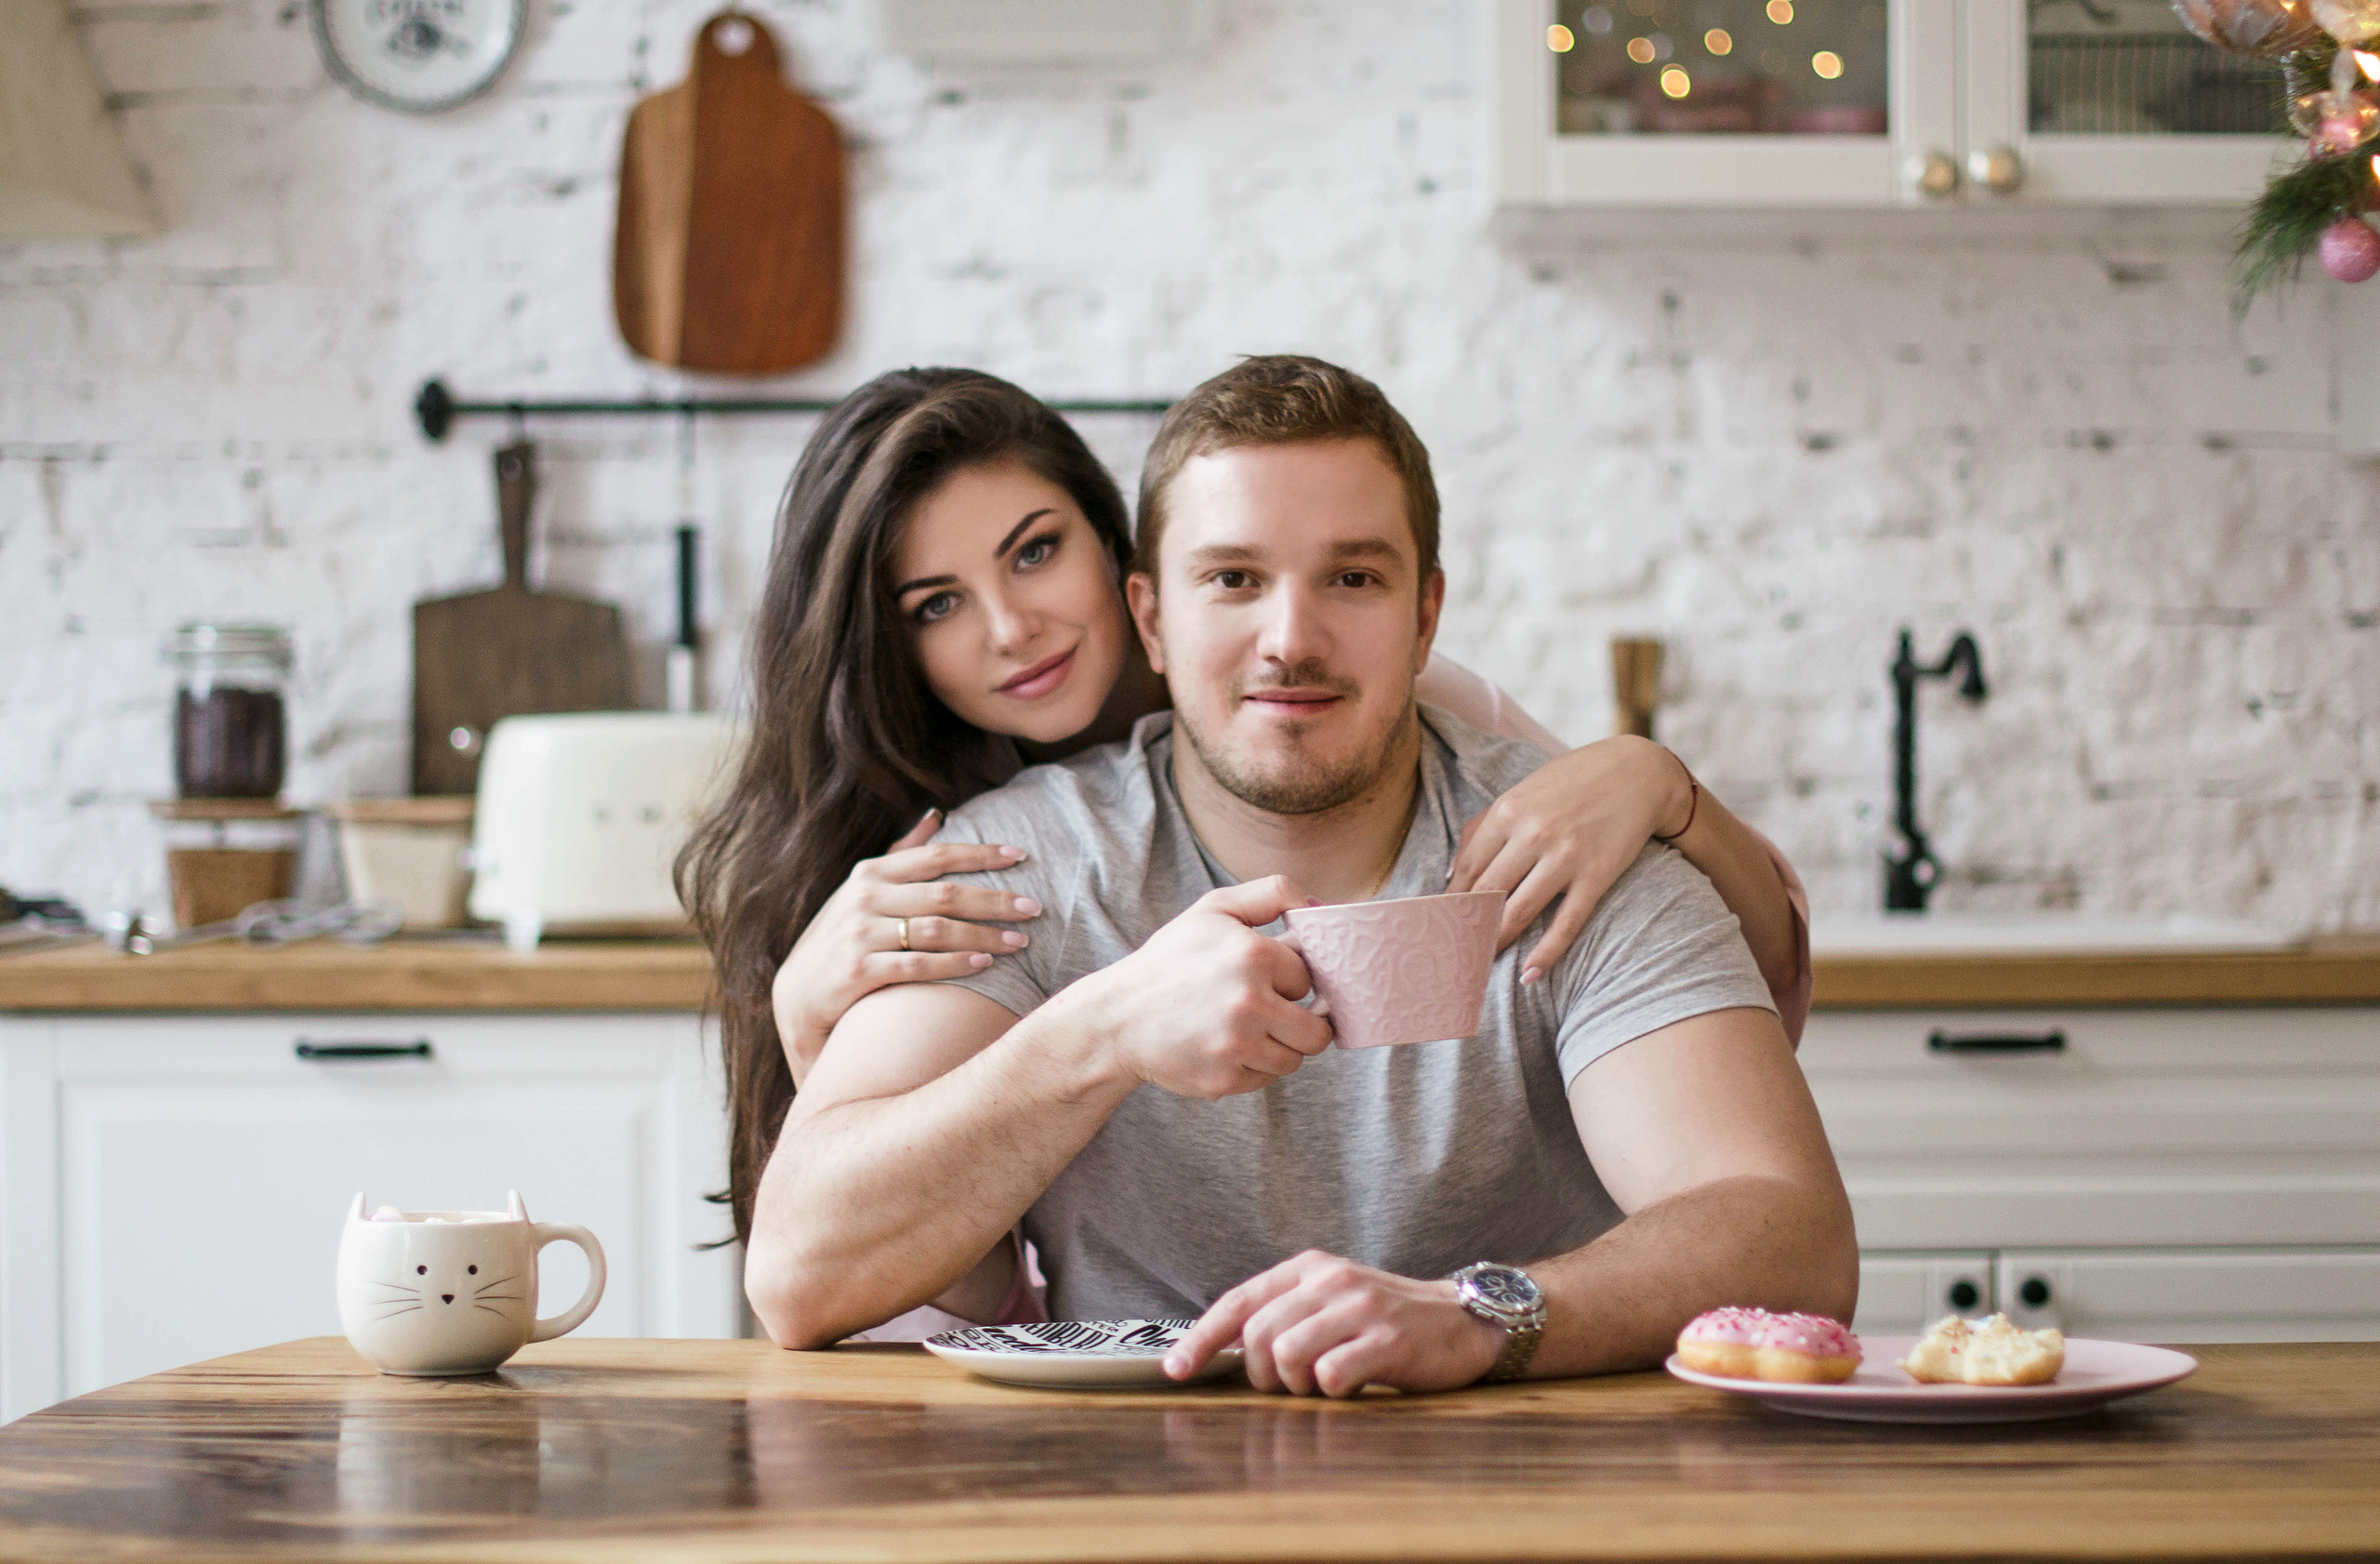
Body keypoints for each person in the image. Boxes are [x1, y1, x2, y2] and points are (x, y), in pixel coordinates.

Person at [740, 356, 1857, 1392]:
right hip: (1117, 1501)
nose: (1292, 637)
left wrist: (1476, 1315)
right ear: (1153, 614)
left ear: (1425, 614)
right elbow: (798, 1272)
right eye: (1232, 577)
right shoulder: (1017, 862)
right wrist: (1105, 1028)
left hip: (1528, 1488)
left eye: (1354, 578)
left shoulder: (1568, 839)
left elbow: (1790, 1233)